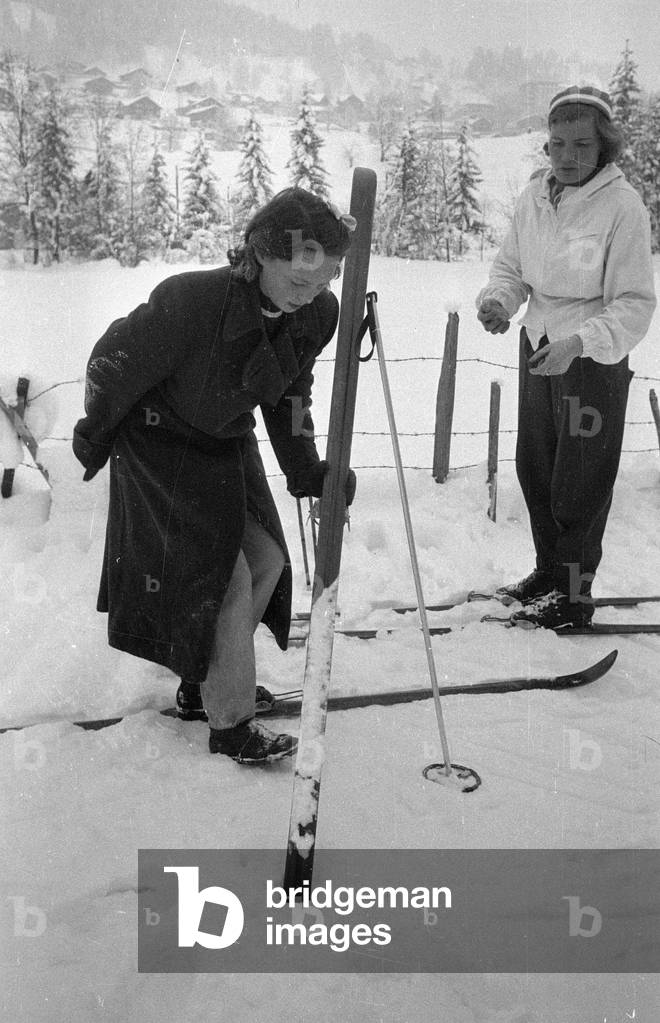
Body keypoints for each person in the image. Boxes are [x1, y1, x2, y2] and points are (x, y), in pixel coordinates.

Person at [73, 188, 356, 762]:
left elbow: (288, 394)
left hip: (223, 438)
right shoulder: (192, 302)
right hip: (157, 443)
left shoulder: (317, 316)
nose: (312, 295)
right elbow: (112, 363)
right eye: (300, 281)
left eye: (326, 281)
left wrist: (306, 470)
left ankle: (205, 679)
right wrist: (95, 433)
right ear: (258, 257)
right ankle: (231, 727)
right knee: (218, 578)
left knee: (268, 561)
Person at [476, 85, 656, 629]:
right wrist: (499, 301)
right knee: (537, 469)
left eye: (582, 144)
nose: (568, 156)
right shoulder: (535, 196)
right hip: (538, 343)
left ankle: (574, 597)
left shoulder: (621, 206)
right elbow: (511, 266)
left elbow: (634, 302)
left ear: (604, 147)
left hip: (591, 358)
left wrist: (581, 343)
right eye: (557, 143)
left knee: (580, 482)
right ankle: (549, 573)